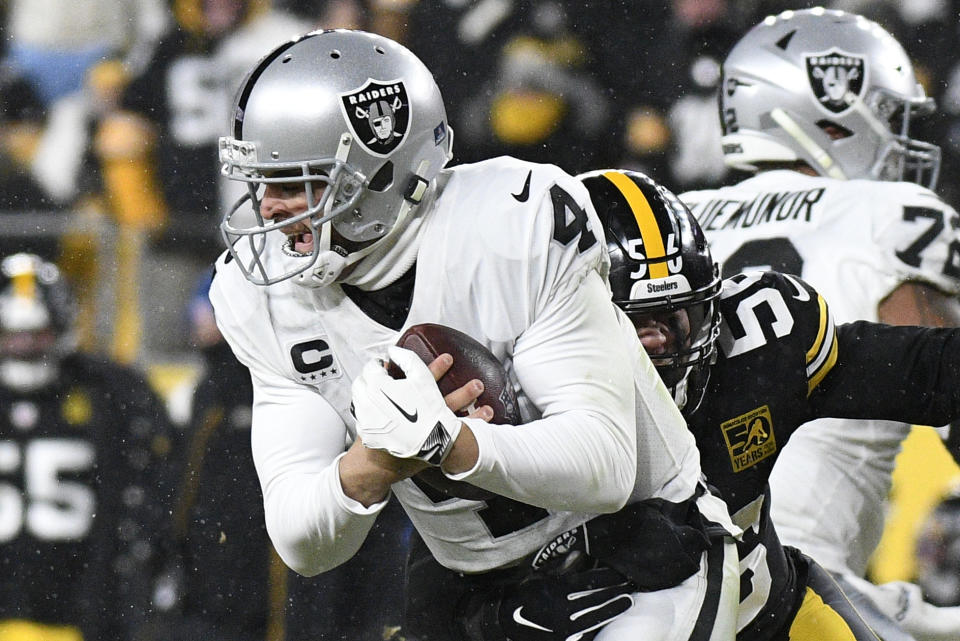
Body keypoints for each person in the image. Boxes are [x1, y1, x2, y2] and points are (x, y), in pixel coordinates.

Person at [209, 28, 740, 641]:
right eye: (261, 184)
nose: (269, 209)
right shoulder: (262, 296)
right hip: (472, 580)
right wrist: (376, 461)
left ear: (380, 172)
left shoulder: (511, 222)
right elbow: (303, 541)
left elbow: (605, 465)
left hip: (641, 542)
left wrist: (449, 444)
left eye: (295, 181)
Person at [677, 8, 960, 641]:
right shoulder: (888, 213)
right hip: (792, 589)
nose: (902, 140)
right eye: (889, 118)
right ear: (831, 113)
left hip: (644, 585)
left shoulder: (674, 220)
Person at [0, 252, 175, 640]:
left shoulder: (111, 393)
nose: (24, 347)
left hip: (83, 612)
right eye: (11, 335)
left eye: (37, 334)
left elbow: (154, 493)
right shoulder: (112, 388)